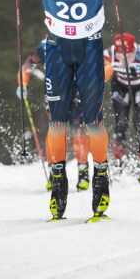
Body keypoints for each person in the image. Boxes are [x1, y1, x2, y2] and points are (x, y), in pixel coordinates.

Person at [0, 0, 139, 220]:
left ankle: (100, 176)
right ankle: (58, 181)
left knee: (94, 121)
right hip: (57, 47)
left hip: (89, 47)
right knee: (56, 123)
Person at [18, 37, 90, 192]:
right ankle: (54, 172)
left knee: (77, 128)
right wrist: (22, 84)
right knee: (55, 129)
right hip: (53, 92)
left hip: (76, 90)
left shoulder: (77, 38)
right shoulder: (43, 45)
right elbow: (26, 67)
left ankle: (83, 172)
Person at [103, 33, 140, 182]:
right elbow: (91, 62)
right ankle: (118, 163)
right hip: (120, 87)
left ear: (134, 50)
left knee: (139, 124)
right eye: (120, 55)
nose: (123, 59)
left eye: (128, 55)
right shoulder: (108, 53)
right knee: (121, 123)